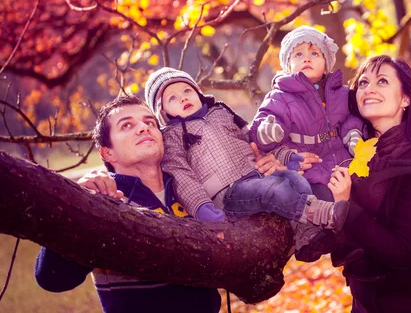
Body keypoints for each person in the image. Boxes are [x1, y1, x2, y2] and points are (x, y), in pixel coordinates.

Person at [34, 95, 222, 313]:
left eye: (150, 122)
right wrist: (77, 210)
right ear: (107, 152)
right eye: (127, 125)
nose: (143, 128)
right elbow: (53, 279)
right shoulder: (104, 201)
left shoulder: (192, 191)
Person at [143, 67, 350, 248]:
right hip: (228, 193)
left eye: (187, 90)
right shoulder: (172, 136)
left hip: (256, 174)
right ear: (163, 112)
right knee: (271, 190)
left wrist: (286, 157)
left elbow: (254, 141)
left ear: (198, 92)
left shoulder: (221, 112)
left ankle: (307, 236)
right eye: (172, 98)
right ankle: (322, 213)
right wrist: (201, 207)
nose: (183, 98)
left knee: (294, 180)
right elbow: (181, 176)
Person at [328, 55, 411, 313]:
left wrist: (346, 206)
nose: (369, 89)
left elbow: (402, 252)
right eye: (363, 82)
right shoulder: (354, 153)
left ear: (405, 99)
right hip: (364, 303)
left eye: (382, 81)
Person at [249, 25, 364, 202]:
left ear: (326, 65)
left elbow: (351, 117)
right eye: (298, 54)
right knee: (322, 199)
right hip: (309, 169)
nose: (307, 59)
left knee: (362, 192)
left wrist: (353, 133)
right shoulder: (280, 97)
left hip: (344, 162)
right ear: (288, 66)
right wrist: (268, 130)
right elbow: (267, 118)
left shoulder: (342, 93)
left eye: (315, 54)